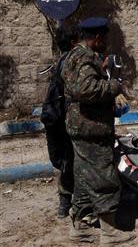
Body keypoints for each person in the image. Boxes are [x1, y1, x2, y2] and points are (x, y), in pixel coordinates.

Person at [61, 17, 135, 245]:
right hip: (92, 129)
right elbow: (86, 89)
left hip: (79, 126)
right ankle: (110, 232)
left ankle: (80, 227)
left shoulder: (73, 54)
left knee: (84, 178)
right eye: (105, 39)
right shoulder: (85, 57)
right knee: (104, 178)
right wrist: (114, 85)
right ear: (98, 37)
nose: (106, 44)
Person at [41, 26, 79, 219]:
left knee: (67, 161)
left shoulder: (59, 62)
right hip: (67, 120)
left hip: (58, 118)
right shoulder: (71, 62)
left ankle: (64, 205)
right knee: (73, 161)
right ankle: (73, 206)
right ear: (73, 42)